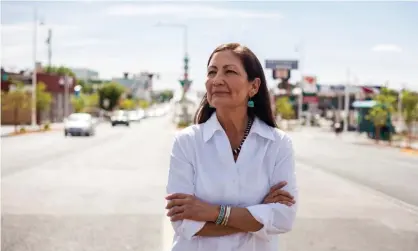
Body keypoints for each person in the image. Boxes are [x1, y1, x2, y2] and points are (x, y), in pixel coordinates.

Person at [166, 43, 298, 251]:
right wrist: (257, 214)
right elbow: (183, 223)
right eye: (212, 72)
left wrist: (211, 213)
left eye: (229, 71)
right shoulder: (186, 142)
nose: (217, 80)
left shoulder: (278, 144)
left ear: (253, 87)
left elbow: (283, 218)